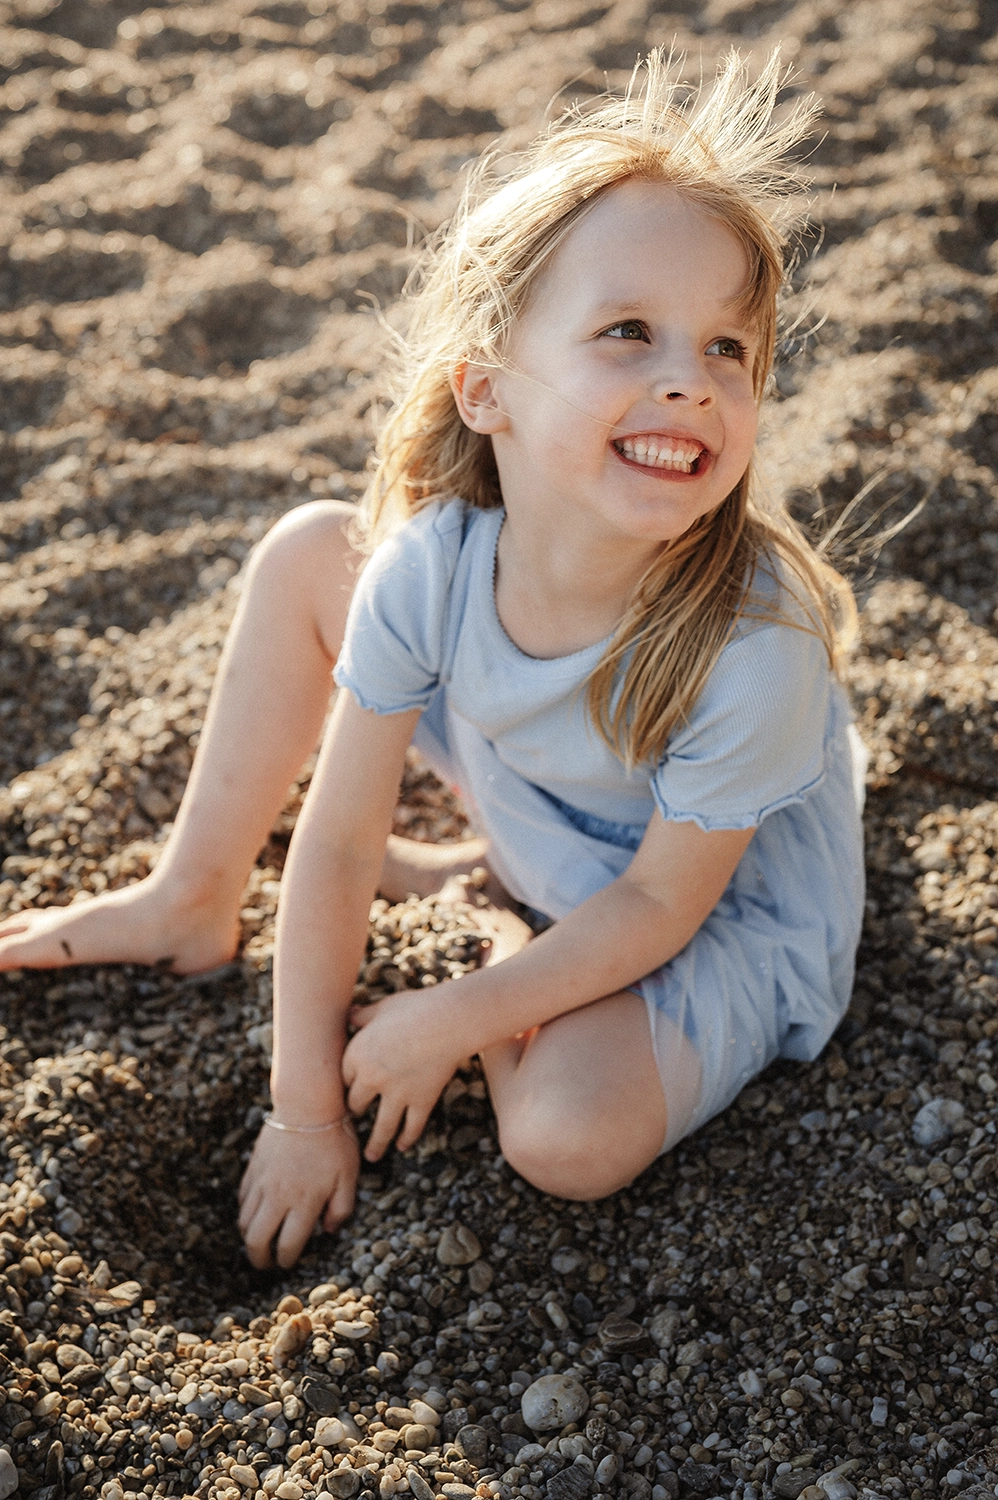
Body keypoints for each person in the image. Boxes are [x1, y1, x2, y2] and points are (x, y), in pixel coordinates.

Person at [0, 50, 867, 1270]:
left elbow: (657, 904)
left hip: (708, 899)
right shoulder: (439, 563)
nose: (690, 377)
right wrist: (303, 1109)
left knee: (564, 1141)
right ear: (485, 392)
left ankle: (496, 923)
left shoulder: (751, 644)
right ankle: (193, 892)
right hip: (552, 795)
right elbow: (342, 839)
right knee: (313, 550)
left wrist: (455, 1014)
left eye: (730, 349)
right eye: (628, 331)